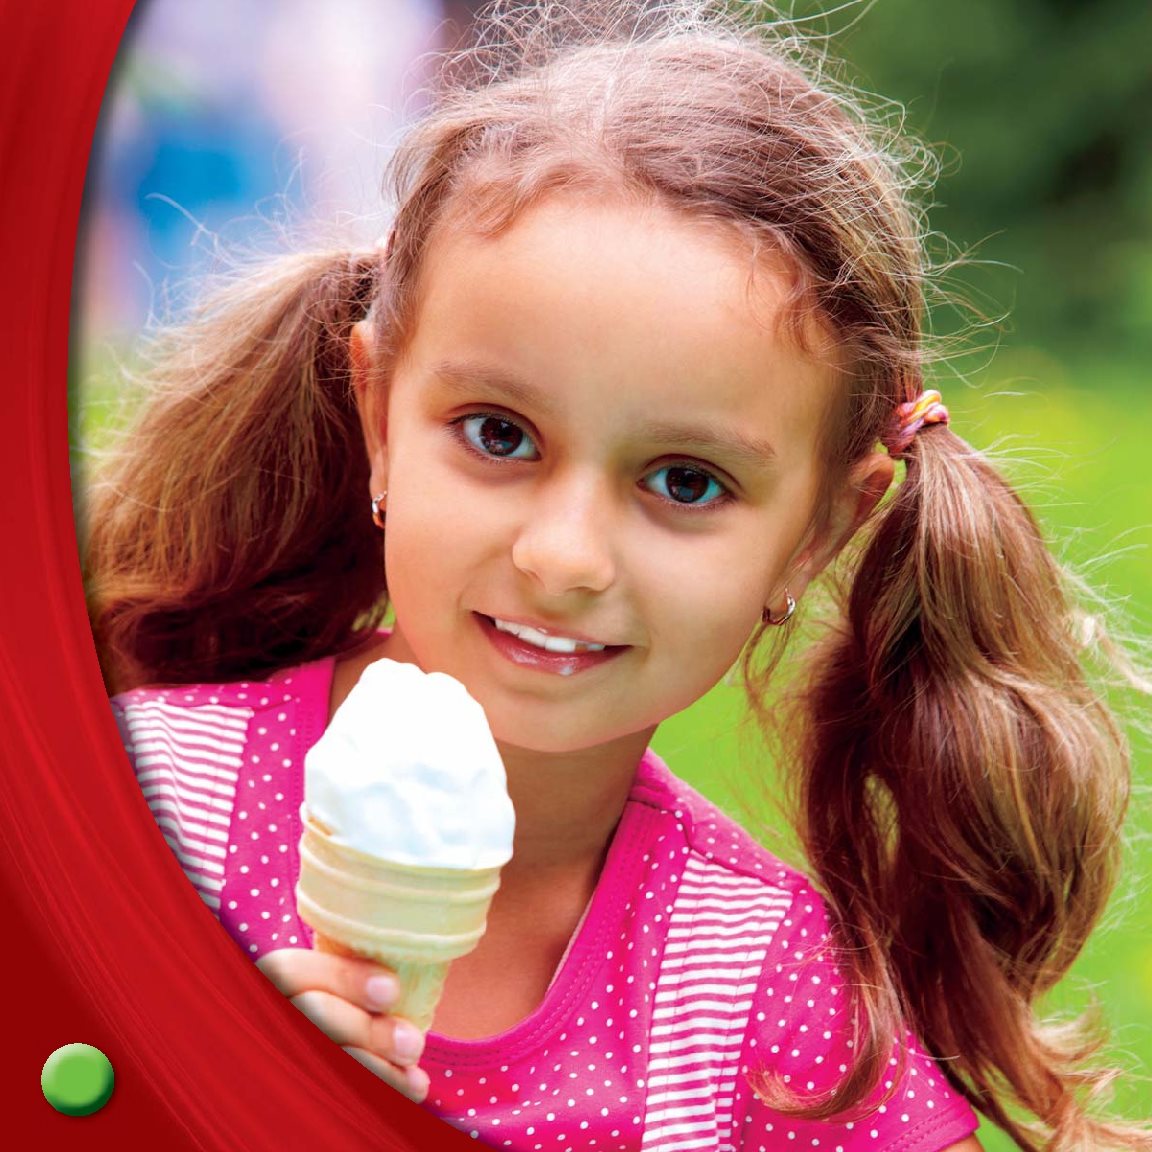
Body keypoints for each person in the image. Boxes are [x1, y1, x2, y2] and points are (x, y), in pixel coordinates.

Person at [82, 2, 1150, 1149]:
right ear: (380, 415)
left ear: (816, 536)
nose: (563, 556)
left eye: (684, 482)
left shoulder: (784, 1027)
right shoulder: (132, 810)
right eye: (498, 434)